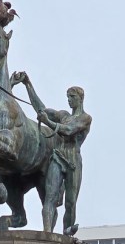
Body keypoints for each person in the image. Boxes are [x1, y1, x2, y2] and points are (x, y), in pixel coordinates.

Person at [11, 72, 91, 235]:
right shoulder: (63, 115)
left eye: (72, 97)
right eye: (68, 97)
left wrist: (47, 122)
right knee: (50, 197)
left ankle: (67, 232)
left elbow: (69, 130)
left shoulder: (85, 118)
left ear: (80, 99)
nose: (69, 100)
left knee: (70, 202)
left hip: (73, 161)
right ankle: (47, 232)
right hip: (58, 157)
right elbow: (41, 109)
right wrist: (28, 85)